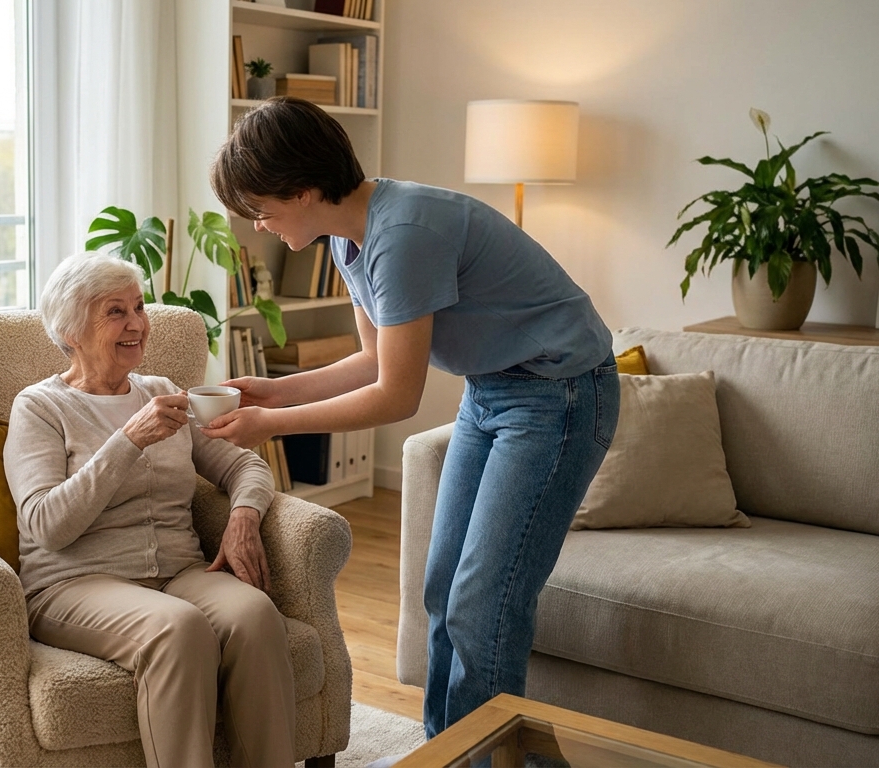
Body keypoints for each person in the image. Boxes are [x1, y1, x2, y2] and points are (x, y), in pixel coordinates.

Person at [203, 97, 619, 741]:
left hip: (559, 395)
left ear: (303, 190)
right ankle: (443, 750)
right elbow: (373, 360)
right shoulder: (348, 238)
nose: (258, 224)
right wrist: (274, 392)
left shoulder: (403, 236)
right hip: (492, 390)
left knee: (484, 604)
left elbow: (396, 397)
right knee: (442, 588)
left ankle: (487, 759)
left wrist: (270, 426)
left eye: (261, 208)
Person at [3, 251, 297, 768]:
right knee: (178, 629)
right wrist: (128, 440)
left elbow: (244, 466)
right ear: (71, 330)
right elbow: (47, 525)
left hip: (178, 572)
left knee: (254, 616)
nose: (137, 323)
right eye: (115, 312)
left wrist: (243, 517)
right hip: (74, 582)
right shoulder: (40, 407)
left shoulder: (161, 393)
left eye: (139, 307)